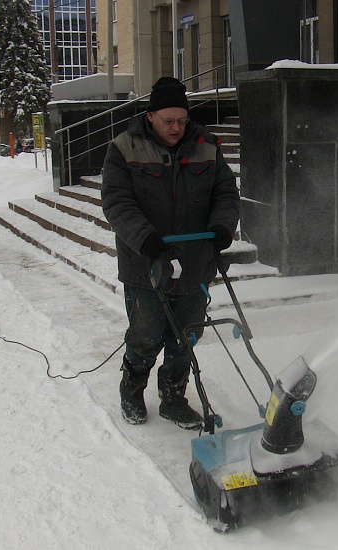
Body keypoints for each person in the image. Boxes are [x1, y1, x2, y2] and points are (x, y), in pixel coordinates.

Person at [101, 77, 240, 428]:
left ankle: (174, 397)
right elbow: (117, 202)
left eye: (182, 120)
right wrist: (145, 238)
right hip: (146, 262)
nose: (177, 127)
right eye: (169, 121)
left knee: (186, 335)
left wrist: (223, 226)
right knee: (146, 334)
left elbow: (225, 192)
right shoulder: (124, 148)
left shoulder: (206, 144)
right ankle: (132, 389)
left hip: (195, 262)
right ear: (150, 116)